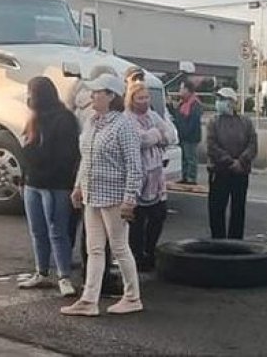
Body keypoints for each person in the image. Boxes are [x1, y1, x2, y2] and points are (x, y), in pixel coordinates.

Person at [62, 73, 143, 317]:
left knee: (119, 247)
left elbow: (133, 165)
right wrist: (78, 186)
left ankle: (132, 297)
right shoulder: (91, 122)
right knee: (94, 249)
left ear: (111, 96)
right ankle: (89, 299)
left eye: (97, 92)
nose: (92, 95)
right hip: (92, 194)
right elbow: (86, 158)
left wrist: (130, 198)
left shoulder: (124, 124)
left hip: (114, 196)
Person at [18, 77, 81, 297]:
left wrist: (34, 160)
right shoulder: (34, 119)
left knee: (57, 231)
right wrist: (24, 178)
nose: (28, 97)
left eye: (31, 93)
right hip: (33, 184)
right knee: (37, 231)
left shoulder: (64, 119)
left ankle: (64, 275)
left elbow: (66, 156)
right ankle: (41, 272)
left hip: (55, 185)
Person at [125, 82, 177, 271]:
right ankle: (137, 255)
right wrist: (157, 135)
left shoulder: (153, 116)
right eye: (140, 98)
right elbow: (142, 140)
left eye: (147, 98)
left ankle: (150, 249)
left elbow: (170, 135)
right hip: (137, 173)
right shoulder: (127, 118)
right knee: (137, 219)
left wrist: (157, 135)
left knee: (158, 215)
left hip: (156, 174)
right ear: (132, 100)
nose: (145, 102)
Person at [206, 87, 258, 239]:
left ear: (232, 102)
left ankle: (236, 241)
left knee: (238, 209)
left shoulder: (245, 122)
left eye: (222, 99)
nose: (219, 103)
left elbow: (252, 144)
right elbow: (212, 146)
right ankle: (218, 241)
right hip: (219, 171)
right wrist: (229, 161)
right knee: (217, 209)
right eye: (218, 100)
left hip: (240, 172)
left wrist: (241, 161)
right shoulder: (213, 122)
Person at [174, 81, 202, 185]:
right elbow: (178, 117)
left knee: (191, 158)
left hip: (191, 136)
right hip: (182, 135)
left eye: (181, 89)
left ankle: (191, 178)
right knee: (184, 158)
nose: (180, 91)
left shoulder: (195, 104)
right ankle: (185, 176)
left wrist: (185, 132)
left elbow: (193, 121)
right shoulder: (182, 103)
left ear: (187, 90)